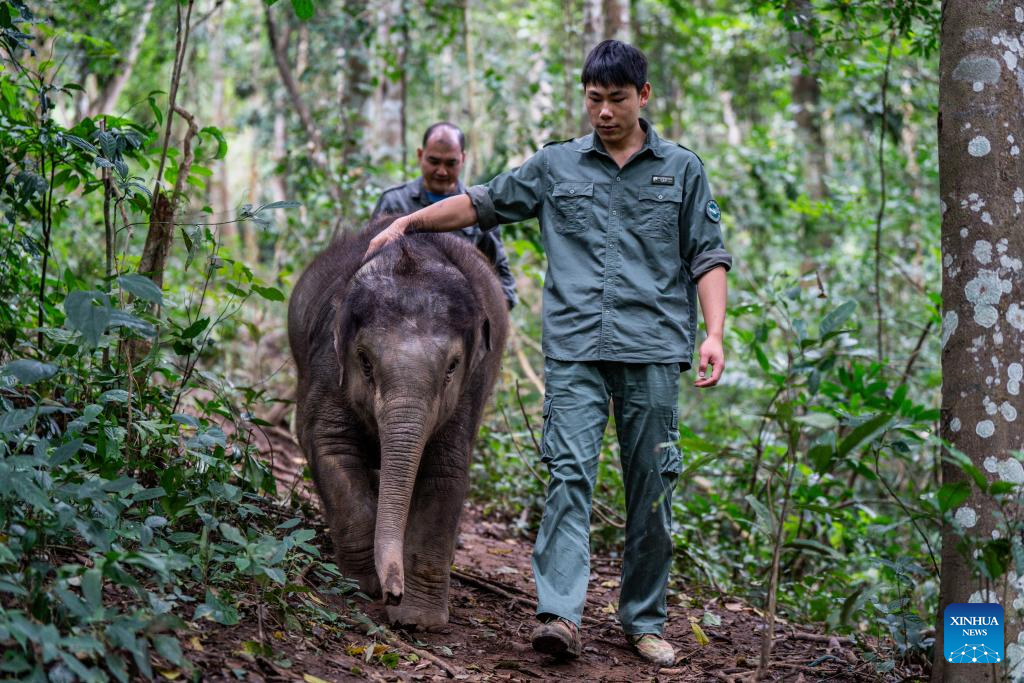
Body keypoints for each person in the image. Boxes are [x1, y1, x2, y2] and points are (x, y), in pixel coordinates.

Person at [367, 40, 730, 667]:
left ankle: (643, 621)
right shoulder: (556, 166)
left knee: (652, 487)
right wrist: (411, 223)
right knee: (569, 478)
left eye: (618, 100)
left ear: (643, 96)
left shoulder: (682, 170)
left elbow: (708, 254)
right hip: (576, 351)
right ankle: (559, 614)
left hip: (651, 350)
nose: (605, 113)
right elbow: (482, 200)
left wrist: (714, 332)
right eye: (595, 100)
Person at [372, 122, 518, 309]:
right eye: (434, 161)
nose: (441, 171)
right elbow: (371, 263)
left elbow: (501, 275)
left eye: (451, 163)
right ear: (420, 155)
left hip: (458, 318)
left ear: (463, 159)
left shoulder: (476, 206)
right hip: (401, 315)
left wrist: (490, 314)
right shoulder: (394, 202)